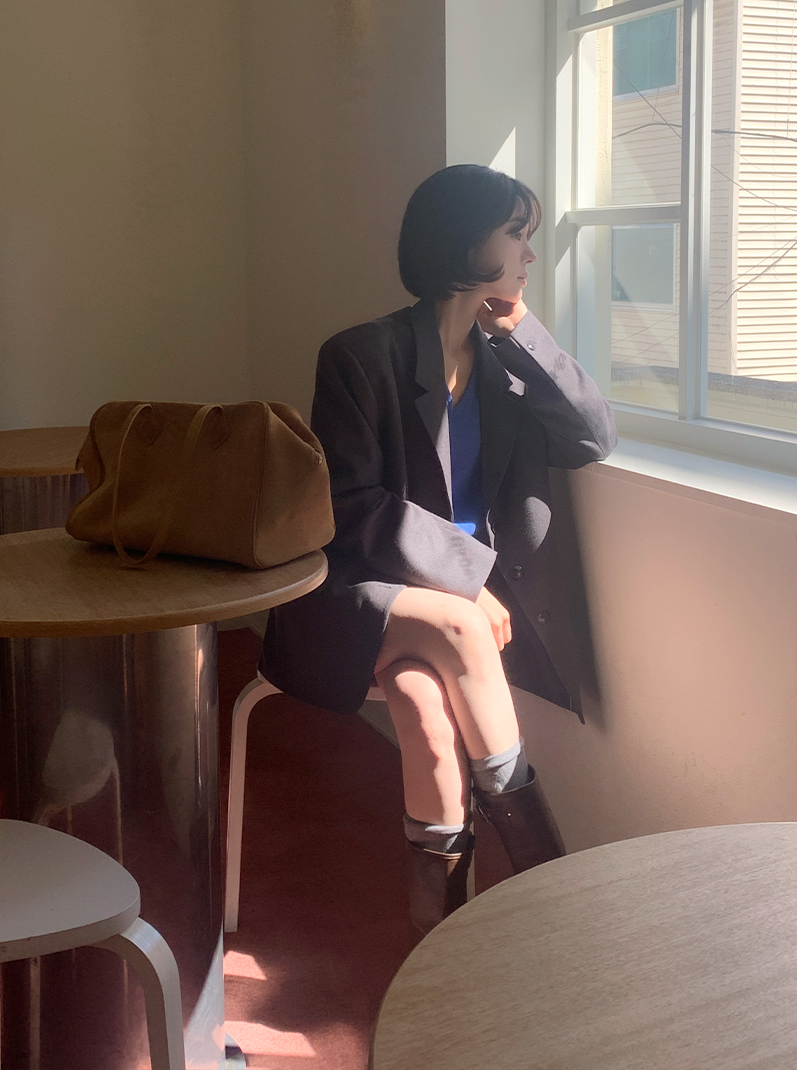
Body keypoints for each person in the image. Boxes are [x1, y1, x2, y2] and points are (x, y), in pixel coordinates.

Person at [261, 164, 617, 934]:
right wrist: (469, 584)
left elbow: (593, 438)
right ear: (464, 241)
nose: (530, 252)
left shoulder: (509, 367)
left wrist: (523, 332)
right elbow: (351, 507)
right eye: (516, 233)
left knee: (426, 711)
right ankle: (557, 904)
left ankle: (441, 937)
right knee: (457, 625)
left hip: (452, 611)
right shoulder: (361, 355)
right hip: (358, 589)